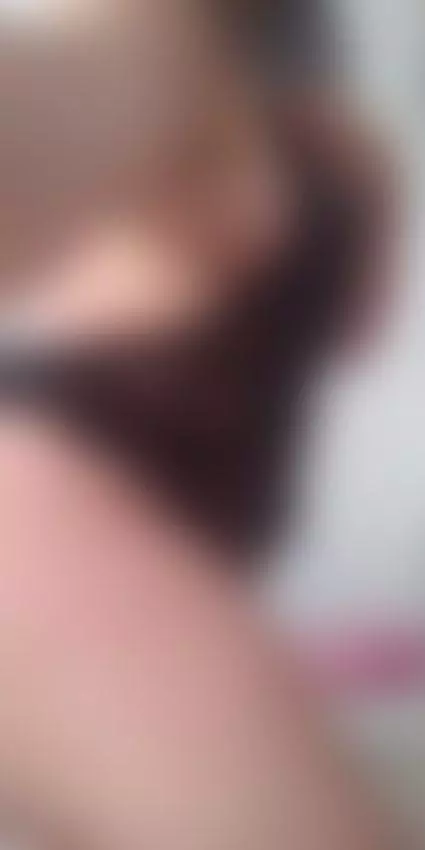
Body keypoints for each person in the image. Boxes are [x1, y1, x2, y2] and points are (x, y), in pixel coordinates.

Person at [0, 1, 395, 847]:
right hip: (214, 508)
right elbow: (364, 322)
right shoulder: (341, 158)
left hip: (107, 508)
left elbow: (74, 102)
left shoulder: (153, 61)